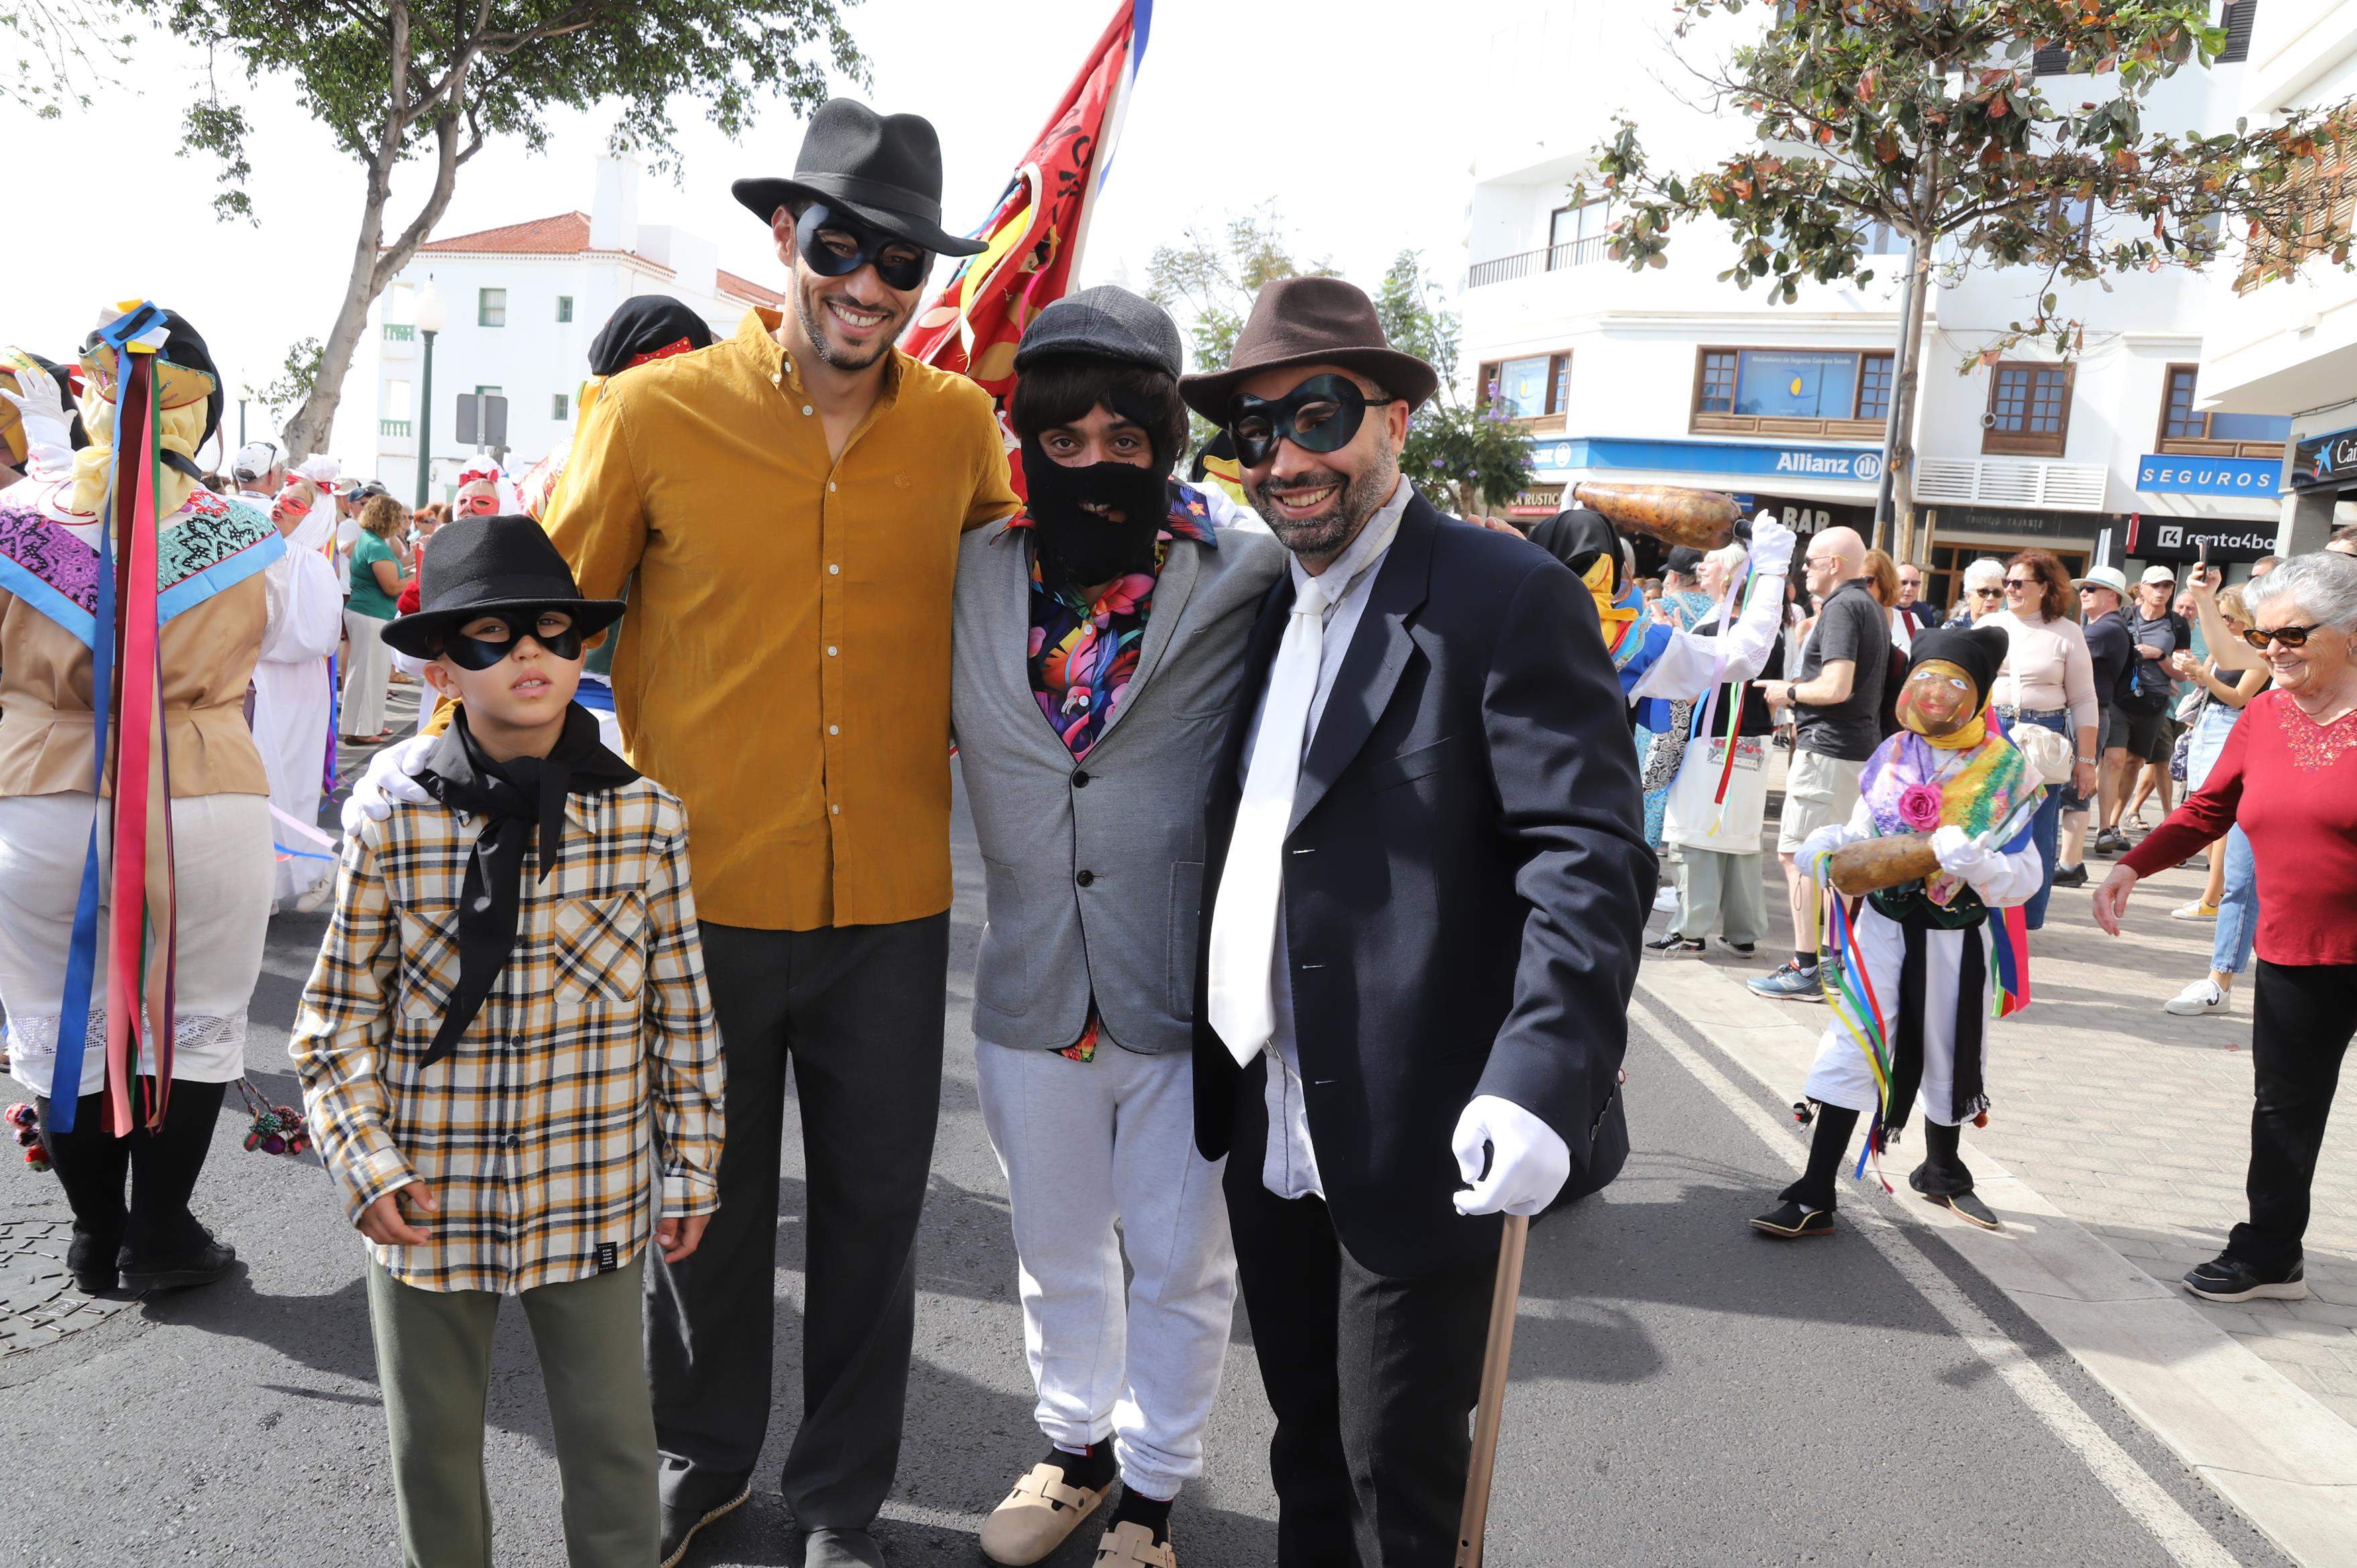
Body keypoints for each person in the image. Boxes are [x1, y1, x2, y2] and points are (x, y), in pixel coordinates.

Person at [349, 99, 1017, 1568]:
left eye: (901, 260)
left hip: (893, 901)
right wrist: (457, 815)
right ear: (784, 235)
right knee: (697, 1205)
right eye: (839, 244)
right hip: (693, 896)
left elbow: (1014, 622)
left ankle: (840, 1497)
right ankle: (705, 1453)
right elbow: (535, 625)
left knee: (874, 1215)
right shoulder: (651, 416)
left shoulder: (964, 430)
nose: (867, 283)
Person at [1187, 277, 1650, 1567]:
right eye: (1255, 430)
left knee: (1398, 1476)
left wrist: (1542, 1074)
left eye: (1318, 415)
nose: (1286, 456)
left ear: (1392, 420)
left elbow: (1590, 852)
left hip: (1423, 1122)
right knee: (1305, 1449)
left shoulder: (1504, 593)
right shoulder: (1262, 603)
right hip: (1269, 1110)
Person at [292, 514, 725, 1567]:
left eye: (550, 630)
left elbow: (681, 1010)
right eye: (490, 634)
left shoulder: (646, 818)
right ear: (441, 667)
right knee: (433, 1448)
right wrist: (365, 1161)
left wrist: (693, 1164)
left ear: (580, 650)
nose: (527, 650)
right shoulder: (392, 815)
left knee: (612, 1442)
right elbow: (335, 1015)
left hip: (589, 1182)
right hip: (427, 1187)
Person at [950, 288, 1282, 1568]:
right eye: (1065, 438)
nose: (1094, 461)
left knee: (1181, 1260)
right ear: (1029, 440)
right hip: (1030, 984)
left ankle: (1151, 1490)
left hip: (1180, 992)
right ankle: (1075, 1447)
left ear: (1163, 443)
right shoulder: (967, 571)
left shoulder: (1248, 569)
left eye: (1124, 439)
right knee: (1054, 1245)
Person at [1, 307, 284, 1294]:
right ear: (197, 414)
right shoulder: (251, 532)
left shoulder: (16, 520)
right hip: (203, 784)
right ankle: (160, 1231)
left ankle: (94, 1232)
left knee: (56, 1020)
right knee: (195, 1020)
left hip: (41, 786)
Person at [2098, 551, 2357, 1303]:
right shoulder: (2265, 714)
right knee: (2283, 1109)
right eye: (2262, 635)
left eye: (2292, 634)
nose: (2272, 649)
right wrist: (2131, 866)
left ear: (2349, 633)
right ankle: (2270, 1254)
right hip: (2297, 950)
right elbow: (2209, 806)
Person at [1754, 626, 2047, 1238]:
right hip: (1882, 927)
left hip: (1953, 934)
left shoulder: (2006, 769)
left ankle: (1942, 1171)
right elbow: (1863, 829)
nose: (1935, 693)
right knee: (1852, 1039)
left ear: (1977, 693)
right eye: (1925, 678)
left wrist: (1978, 865)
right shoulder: (1891, 751)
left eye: (1951, 682)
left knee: (1948, 1045)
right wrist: (1831, 844)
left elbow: (2025, 878)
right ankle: (1815, 1189)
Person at [1748, 524, 1891, 1000]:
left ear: (1833, 564)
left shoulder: (1843, 607)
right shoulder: (1867, 605)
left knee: (1799, 857)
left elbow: (1836, 687)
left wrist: (1785, 691)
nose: (1803, 569)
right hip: (1852, 749)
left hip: (1829, 749)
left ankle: (1807, 966)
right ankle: (1831, 965)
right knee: (1837, 860)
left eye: (1809, 561)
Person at [1643, 526, 1798, 958]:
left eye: (1709, 563)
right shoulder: (1774, 631)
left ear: (1730, 577)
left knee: (1694, 835)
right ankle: (1744, 930)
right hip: (1756, 741)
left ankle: (1690, 929)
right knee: (1742, 836)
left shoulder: (1719, 626)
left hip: (1712, 739)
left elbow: (1693, 688)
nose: (1702, 570)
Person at [2160, 585, 2269, 1012]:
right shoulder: (2270, 647)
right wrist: (2204, 600)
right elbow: (2226, 655)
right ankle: (2219, 981)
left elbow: (2238, 693)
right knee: (2241, 875)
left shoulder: (2317, 650)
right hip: (2244, 748)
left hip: (2304, 767)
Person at [1986, 548, 2098, 927]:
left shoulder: (2067, 632)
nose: (2010, 589)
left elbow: (2084, 700)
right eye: (2007, 582)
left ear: (2045, 587)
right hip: (1993, 731)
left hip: (2042, 737)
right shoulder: (1989, 625)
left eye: (2019, 583)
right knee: (1986, 823)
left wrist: (2086, 761)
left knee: (2037, 830)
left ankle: (2026, 920)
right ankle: (1985, 912)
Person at [249, 470, 345, 911]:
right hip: (258, 682)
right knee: (259, 780)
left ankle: (314, 863)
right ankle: (264, 884)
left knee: (287, 778)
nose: (280, 506)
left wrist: (255, 638)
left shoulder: (312, 564)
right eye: (281, 498)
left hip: (293, 688)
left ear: (314, 517)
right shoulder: (257, 552)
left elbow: (318, 636)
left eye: (295, 504)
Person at [1633, 546, 1719, 859]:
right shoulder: (1717, 609)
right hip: (1704, 710)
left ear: (1672, 575)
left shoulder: (1660, 607)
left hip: (1663, 706)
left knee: (1652, 775)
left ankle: (1649, 843)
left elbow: (1639, 652)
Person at [2091, 565, 2181, 854]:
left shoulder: (2177, 624)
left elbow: (2182, 674)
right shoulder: (2124, 617)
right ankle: (2101, 825)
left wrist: (2160, 655)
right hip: (2120, 699)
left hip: (2154, 702)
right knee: (2114, 760)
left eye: (2167, 586)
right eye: (2155, 586)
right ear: (2141, 588)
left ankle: (2114, 823)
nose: (2161, 591)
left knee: (2134, 764)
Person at [341, 493, 407, 743]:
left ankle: (365, 726)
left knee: (367, 674)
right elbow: (392, 587)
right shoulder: (376, 546)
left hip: (367, 612)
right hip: (371, 614)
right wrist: (419, 577)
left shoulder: (369, 541)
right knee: (369, 674)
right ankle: (363, 730)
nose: (401, 523)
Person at [1948, 557, 2005, 627]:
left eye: (1997, 592)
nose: (1990, 598)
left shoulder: (2010, 629)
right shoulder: (1952, 627)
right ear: (1968, 596)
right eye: (1983, 592)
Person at [1895, 559, 1938, 638]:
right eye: (1904, 583)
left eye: (1914, 583)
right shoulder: (1882, 610)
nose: (1909, 588)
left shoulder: (1924, 611)